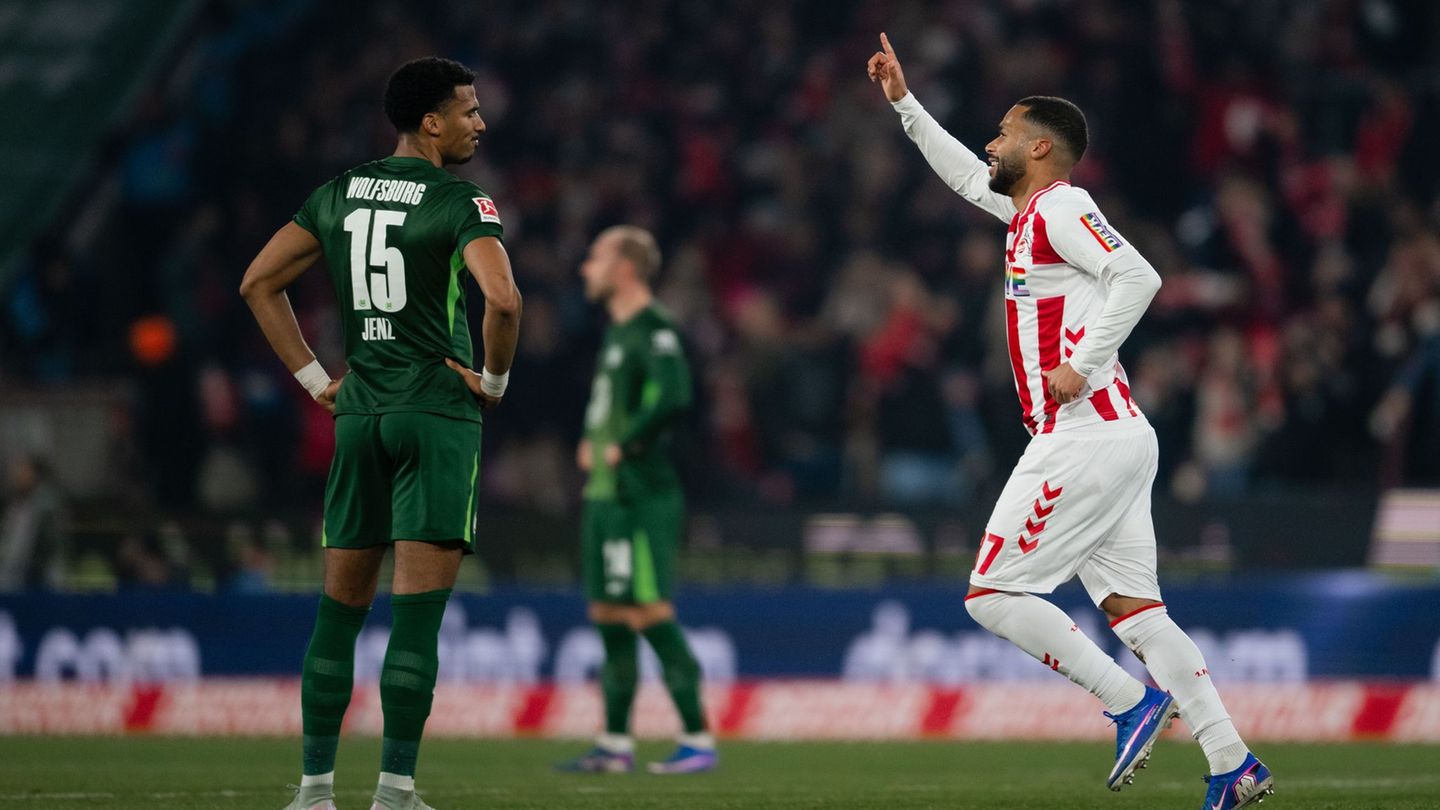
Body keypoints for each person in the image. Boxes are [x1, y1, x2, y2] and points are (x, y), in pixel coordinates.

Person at [868, 34, 1274, 809]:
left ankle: (1129, 702)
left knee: (990, 594)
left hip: (1085, 431)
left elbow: (1139, 273)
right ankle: (1233, 763)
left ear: (1042, 146)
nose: (990, 143)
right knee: (1136, 612)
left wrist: (1082, 362)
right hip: (1114, 437)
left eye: (1003, 133)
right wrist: (904, 104)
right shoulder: (1026, 216)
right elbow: (964, 176)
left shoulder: (1060, 206)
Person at [240, 56, 521, 810]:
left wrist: (311, 381)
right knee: (417, 618)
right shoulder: (463, 202)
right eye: (469, 109)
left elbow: (257, 283)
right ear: (432, 122)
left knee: (338, 615)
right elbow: (504, 301)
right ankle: (394, 791)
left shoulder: (338, 193)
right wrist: (492, 381)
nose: (480, 122)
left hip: (359, 412)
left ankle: (313, 792)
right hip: (434, 412)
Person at [556, 226, 716, 775]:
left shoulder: (654, 329)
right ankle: (614, 744)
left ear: (624, 267)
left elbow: (674, 396)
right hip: (605, 494)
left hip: (640, 495)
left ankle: (697, 739)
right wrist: (593, 441)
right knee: (608, 614)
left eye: (595, 257)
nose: (585, 269)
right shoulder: (618, 331)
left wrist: (626, 444)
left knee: (648, 610)